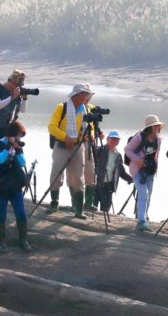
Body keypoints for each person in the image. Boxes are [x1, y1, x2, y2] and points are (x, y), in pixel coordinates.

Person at [46, 83, 94, 219]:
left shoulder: (84, 110)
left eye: (87, 94)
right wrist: (65, 137)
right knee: (56, 174)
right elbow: (52, 127)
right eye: (84, 94)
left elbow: (86, 129)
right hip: (61, 145)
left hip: (78, 146)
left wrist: (86, 136)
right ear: (76, 95)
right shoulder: (62, 108)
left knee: (78, 177)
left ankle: (79, 210)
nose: (86, 97)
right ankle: (54, 203)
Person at [0, 121, 30, 253]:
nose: (19, 139)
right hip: (0, 186)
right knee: (1, 213)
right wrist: (8, 146)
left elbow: (23, 163)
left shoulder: (18, 146)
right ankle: (1, 242)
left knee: (21, 213)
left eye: (20, 137)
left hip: (14, 186)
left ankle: (23, 241)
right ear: (11, 135)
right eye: (17, 136)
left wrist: (18, 150)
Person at [124, 114, 164, 232]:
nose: (157, 127)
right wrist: (138, 160)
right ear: (150, 127)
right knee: (143, 193)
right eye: (155, 126)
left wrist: (154, 168)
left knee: (148, 195)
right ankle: (141, 221)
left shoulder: (158, 139)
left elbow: (156, 155)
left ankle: (143, 218)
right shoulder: (139, 137)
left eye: (158, 126)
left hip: (150, 171)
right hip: (137, 170)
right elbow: (127, 149)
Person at [94, 130, 133, 213]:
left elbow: (121, 172)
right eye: (112, 138)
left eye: (116, 139)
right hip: (96, 185)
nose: (114, 141)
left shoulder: (118, 155)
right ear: (107, 139)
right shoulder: (99, 150)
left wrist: (132, 179)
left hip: (109, 187)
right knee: (91, 210)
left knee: (105, 211)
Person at [81, 100, 104, 213]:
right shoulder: (72, 108)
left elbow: (92, 125)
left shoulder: (91, 107)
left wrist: (98, 132)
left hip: (90, 144)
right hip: (77, 143)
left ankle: (88, 203)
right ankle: (77, 204)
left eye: (89, 95)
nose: (88, 98)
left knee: (91, 173)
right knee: (76, 175)